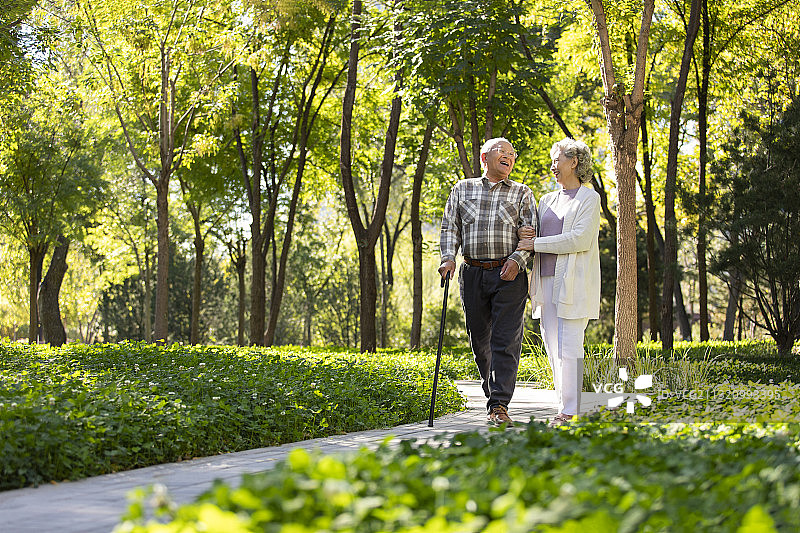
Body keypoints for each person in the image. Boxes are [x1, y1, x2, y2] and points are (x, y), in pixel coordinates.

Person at [439, 137, 537, 427]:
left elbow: (528, 234)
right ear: (485, 157)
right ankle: (493, 395)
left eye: (512, 153)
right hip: (473, 272)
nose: (509, 156)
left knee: (504, 340)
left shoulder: (522, 192)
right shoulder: (462, 188)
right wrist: (447, 258)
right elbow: (450, 226)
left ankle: (498, 404)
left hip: (509, 274)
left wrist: (517, 260)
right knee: (479, 338)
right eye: (502, 152)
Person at [516, 137, 601, 426]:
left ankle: (572, 410)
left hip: (574, 283)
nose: (553, 166)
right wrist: (527, 236)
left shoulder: (589, 198)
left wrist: (535, 243)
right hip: (545, 281)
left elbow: (580, 239)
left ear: (573, 162)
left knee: (570, 347)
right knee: (553, 347)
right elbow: (534, 236)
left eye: (557, 160)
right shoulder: (547, 199)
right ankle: (562, 407)